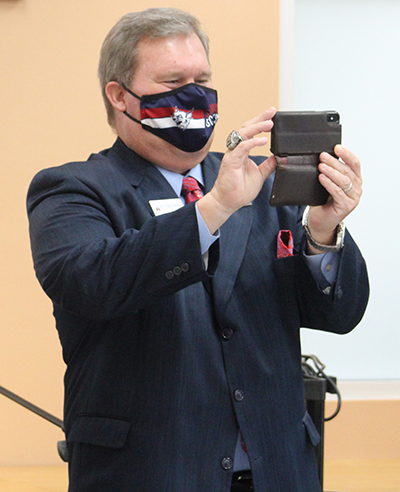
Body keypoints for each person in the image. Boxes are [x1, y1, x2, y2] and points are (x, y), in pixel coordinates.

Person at [27, 8, 369, 492]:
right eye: (173, 81)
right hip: (150, 473)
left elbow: (338, 314)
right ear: (119, 95)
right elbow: (91, 283)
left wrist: (323, 230)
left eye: (202, 79)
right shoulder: (73, 189)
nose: (195, 94)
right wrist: (211, 211)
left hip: (280, 469)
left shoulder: (260, 182)